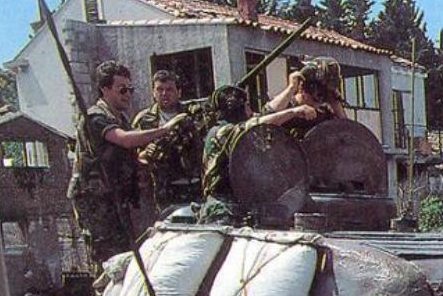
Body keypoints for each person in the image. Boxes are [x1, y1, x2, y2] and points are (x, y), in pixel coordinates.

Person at [68, 61, 183, 267]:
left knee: (125, 258)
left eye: (130, 89)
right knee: (108, 262)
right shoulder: (95, 117)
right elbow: (124, 139)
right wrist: (164, 129)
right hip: (98, 204)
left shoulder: (120, 118)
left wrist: (146, 157)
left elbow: (128, 155)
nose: (127, 94)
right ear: (105, 89)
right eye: (122, 89)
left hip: (117, 200)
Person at [198, 85, 317, 224]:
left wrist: (292, 88)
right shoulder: (221, 131)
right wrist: (294, 111)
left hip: (243, 204)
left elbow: (266, 114)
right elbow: (255, 124)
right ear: (237, 108)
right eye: (247, 105)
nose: (251, 111)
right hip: (222, 209)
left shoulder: (235, 131)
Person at [133, 70, 202, 211]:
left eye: (169, 89)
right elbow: (132, 154)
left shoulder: (192, 114)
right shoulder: (143, 119)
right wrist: (146, 152)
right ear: (153, 92)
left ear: (179, 92)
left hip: (193, 185)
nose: (164, 94)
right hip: (160, 190)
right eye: (159, 89)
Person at [263, 57, 346, 139]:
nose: (320, 102)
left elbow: (347, 133)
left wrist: (335, 102)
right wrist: (292, 89)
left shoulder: (324, 114)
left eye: (325, 97)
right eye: (319, 95)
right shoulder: (285, 105)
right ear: (303, 88)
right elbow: (262, 124)